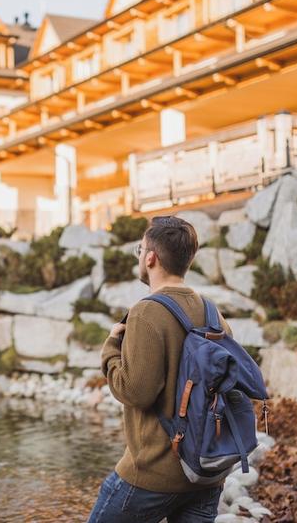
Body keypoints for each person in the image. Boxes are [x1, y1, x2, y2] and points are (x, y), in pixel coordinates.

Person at [87, 215, 232, 523]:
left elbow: (135, 392)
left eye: (140, 250)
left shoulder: (146, 312)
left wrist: (111, 349)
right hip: (206, 472)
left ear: (150, 257)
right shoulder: (212, 311)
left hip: (152, 475)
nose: (140, 256)